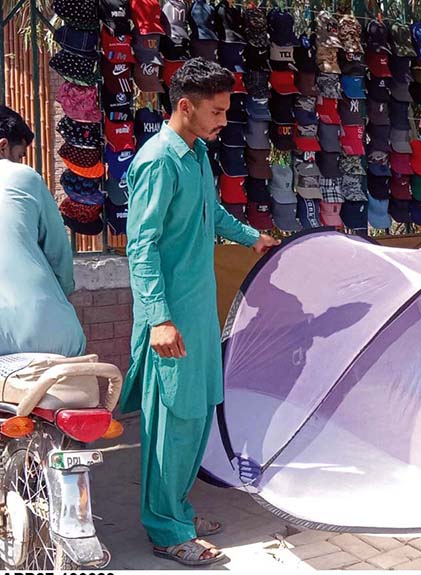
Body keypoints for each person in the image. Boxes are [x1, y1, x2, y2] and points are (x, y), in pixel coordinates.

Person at [119, 58, 280, 567]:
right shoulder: (157, 161)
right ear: (184, 106)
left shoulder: (196, 154)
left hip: (198, 312)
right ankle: (166, 530)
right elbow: (140, 247)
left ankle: (179, 512)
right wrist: (159, 318)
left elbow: (212, 214)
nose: (223, 121)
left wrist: (254, 239)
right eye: (216, 111)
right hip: (171, 318)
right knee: (172, 421)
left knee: (196, 415)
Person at [0, 105, 85, 357]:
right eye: (19, 154)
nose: (19, 161)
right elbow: (59, 253)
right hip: (48, 335)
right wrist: (63, 294)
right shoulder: (23, 176)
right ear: (2, 146)